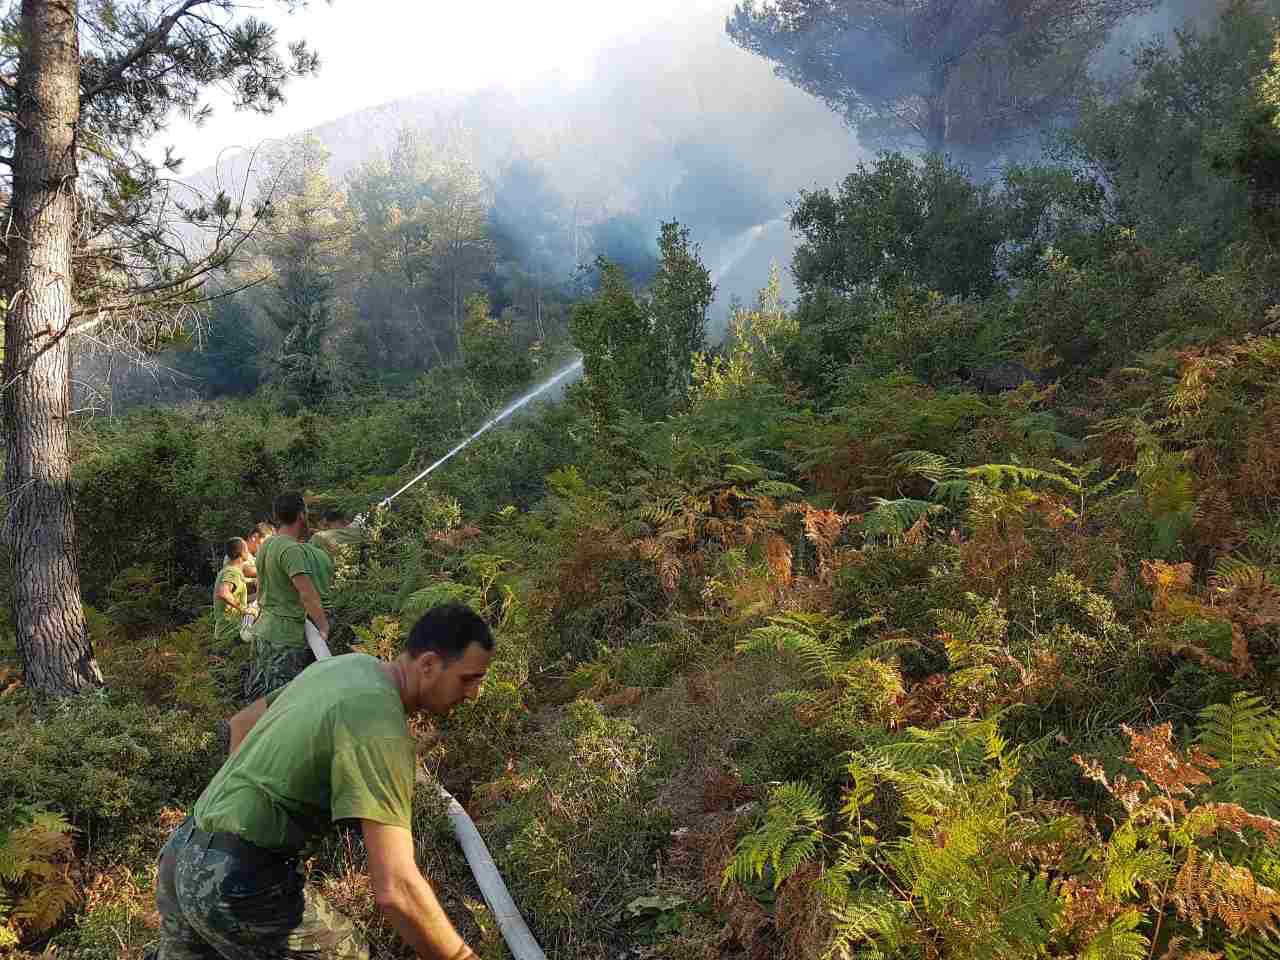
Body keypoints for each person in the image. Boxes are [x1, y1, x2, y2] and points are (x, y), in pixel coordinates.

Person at [154, 603, 493, 960]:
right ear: (428, 665)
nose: (473, 694)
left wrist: (235, 822)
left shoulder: (347, 666)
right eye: (468, 679)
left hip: (183, 854)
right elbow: (397, 889)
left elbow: (242, 722)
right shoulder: (379, 728)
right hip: (237, 881)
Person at [246, 494, 327, 701]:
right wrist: (324, 627)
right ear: (301, 515)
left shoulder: (267, 545)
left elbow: (261, 585)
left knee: (261, 701)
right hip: (284, 639)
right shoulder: (291, 550)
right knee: (283, 703)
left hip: (262, 632)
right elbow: (308, 595)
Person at [211, 539, 251, 652]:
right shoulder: (232, 572)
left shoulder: (228, 571)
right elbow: (223, 592)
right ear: (242, 553)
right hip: (229, 633)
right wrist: (244, 610)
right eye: (246, 549)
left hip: (227, 633)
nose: (248, 553)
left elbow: (235, 594)